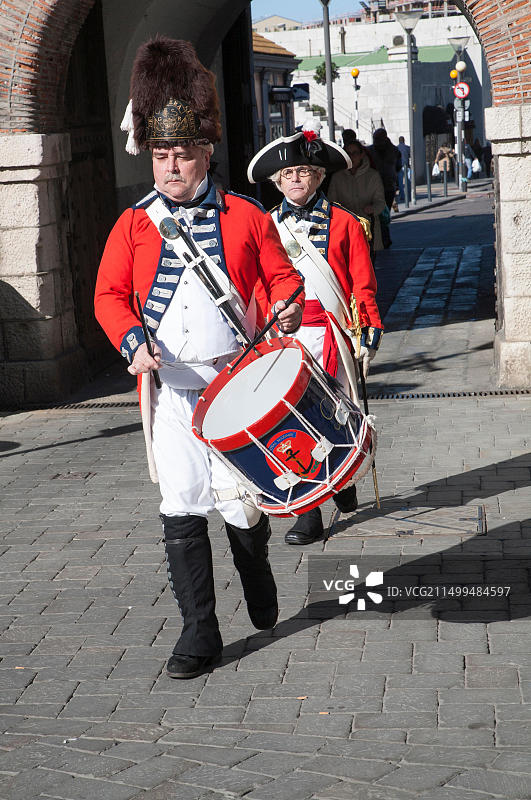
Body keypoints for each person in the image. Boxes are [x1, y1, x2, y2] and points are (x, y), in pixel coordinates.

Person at [94, 37, 304, 680]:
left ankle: (255, 561)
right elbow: (108, 296)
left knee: (240, 506)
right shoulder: (132, 225)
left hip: (237, 385)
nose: (171, 167)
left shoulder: (246, 216)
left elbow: (282, 281)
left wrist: (290, 305)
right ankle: (199, 632)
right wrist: (132, 341)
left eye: (182, 155)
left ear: (205, 154)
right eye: (161, 155)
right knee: (182, 505)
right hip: (173, 394)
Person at [247, 121, 383, 545]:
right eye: (287, 174)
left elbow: (362, 282)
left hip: (333, 335)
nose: (295, 180)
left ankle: (342, 479)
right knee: (290, 422)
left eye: (304, 172)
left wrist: (370, 326)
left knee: (337, 415)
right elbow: (257, 284)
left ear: (320, 176)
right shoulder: (264, 224)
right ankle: (308, 511)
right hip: (285, 337)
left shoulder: (345, 223)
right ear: (276, 181)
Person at [328, 138, 387, 257]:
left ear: (361, 155)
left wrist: (372, 208)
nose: (351, 156)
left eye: (355, 153)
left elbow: (380, 202)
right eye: (348, 153)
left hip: (367, 231)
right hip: (345, 230)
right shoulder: (337, 177)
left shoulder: (373, 176)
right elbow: (331, 203)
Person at [367, 128, 401, 248]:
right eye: (375, 139)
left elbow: (398, 166)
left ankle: (383, 237)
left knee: (383, 212)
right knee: (379, 213)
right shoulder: (369, 150)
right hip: (375, 186)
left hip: (387, 186)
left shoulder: (393, 150)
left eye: (378, 139)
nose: (377, 142)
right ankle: (383, 237)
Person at [396, 135, 410, 203]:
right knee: (408, 181)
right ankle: (409, 196)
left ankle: (402, 196)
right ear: (404, 140)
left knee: (400, 182)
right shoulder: (407, 148)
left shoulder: (396, 148)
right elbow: (410, 156)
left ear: (399, 141)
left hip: (399, 167)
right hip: (406, 166)